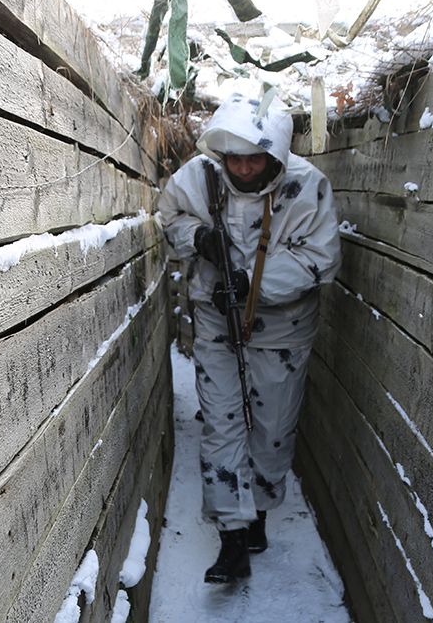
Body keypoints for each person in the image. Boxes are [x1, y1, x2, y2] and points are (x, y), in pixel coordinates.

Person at [159, 94, 342, 584]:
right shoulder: (198, 178)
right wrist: (197, 238)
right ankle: (233, 538)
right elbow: (169, 217)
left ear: (275, 156)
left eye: (253, 158)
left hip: (282, 331)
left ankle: (257, 510)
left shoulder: (308, 188)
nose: (241, 168)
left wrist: (252, 282)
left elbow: (319, 259)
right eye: (233, 157)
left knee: (272, 427)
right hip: (217, 323)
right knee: (221, 424)